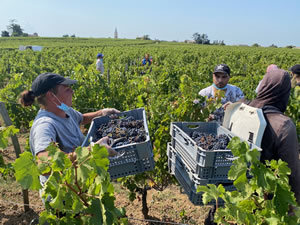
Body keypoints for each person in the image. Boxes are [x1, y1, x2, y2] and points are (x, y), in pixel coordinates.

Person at [19, 72, 119, 187]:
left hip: (79, 184)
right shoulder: (45, 125)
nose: (72, 91)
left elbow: (82, 118)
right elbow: (44, 164)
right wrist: (92, 151)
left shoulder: (63, 108)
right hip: (64, 194)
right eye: (67, 89)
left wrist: (101, 113)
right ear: (51, 96)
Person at [248, 69, 300, 204]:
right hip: (265, 196)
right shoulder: (283, 125)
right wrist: (295, 203)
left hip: (238, 188)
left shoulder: (243, 107)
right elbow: (291, 171)